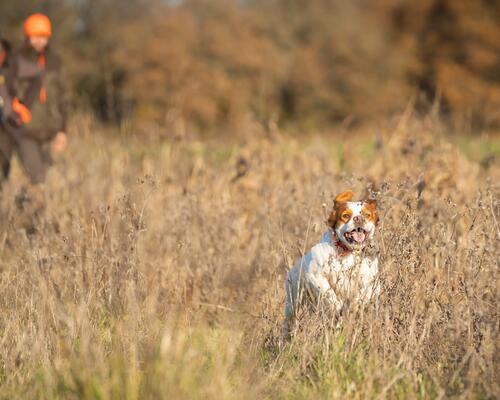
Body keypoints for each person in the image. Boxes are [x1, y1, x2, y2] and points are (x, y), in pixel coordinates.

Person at [5, 13, 68, 186]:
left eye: (43, 36)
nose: (40, 41)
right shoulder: (16, 60)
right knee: (37, 177)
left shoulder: (55, 61)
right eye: (35, 36)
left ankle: (27, 208)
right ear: (27, 36)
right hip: (25, 131)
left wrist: (62, 130)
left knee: (51, 180)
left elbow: (63, 98)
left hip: (50, 131)